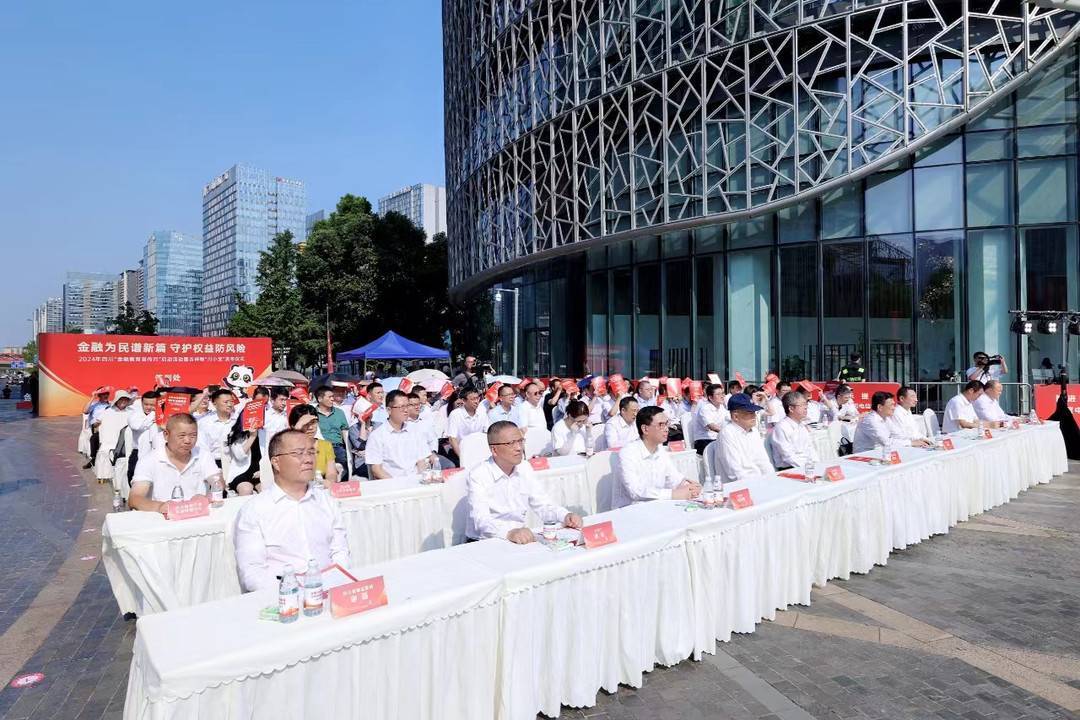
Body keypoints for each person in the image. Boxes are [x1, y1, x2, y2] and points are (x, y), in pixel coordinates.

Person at [234, 429, 351, 592]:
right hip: (282, 599)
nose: (308, 459)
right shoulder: (254, 510)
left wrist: (334, 584)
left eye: (311, 452)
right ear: (276, 462)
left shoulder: (327, 501)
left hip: (330, 592)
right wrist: (294, 593)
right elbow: (252, 573)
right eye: (299, 453)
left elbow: (340, 552)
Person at [466, 421, 583, 543]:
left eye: (520, 441)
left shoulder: (524, 467)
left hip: (518, 537)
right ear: (494, 450)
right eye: (511, 443)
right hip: (485, 541)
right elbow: (481, 521)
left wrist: (565, 516)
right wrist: (509, 532)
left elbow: (542, 504)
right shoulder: (478, 475)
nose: (519, 448)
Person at [612, 406, 701, 508]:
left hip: (655, 507)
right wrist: (673, 494)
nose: (667, 429)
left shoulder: (660, 450)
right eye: (661, 425)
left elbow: (675, 479)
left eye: (666, 424)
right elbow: (635, 491)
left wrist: (689, 487)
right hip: (629, 511)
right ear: (645, 429)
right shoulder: (627, 453)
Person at [129, 413, 217, 514]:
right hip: (164, 519)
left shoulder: (203, 454)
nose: (188, 441)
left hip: (198, 513)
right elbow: (135, 498)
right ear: (166, 435)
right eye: (182, 436)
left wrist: (208, 496)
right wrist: (161, 507)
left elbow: (217, 481)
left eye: (193, 435)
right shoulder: (149, 460)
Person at [366, 390, 438, 478]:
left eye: (407, 406)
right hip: (392, 484)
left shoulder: (415, 430)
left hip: (416, 482)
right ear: (389, 410)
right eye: (401, 407)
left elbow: (421, 461)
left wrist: (420, 480)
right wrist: (397, 485)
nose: (406, 410)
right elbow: (376, 469)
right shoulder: (377, 436)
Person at [716, 394, 774, 483]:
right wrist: (756, 484)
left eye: (754, 412)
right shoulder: (727, 433)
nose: (754, 416)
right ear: (735, 416)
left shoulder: (754, 431)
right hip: (738, 487)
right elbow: (734, 471)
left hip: (759, 481)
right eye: (750, 413)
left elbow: (763, 461)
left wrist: (772, 479)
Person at [853, 392, 931, 452]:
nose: (894, 408)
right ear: (880, 407)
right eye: (891, 405)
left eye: (894, 405)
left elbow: (899, 434)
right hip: (864, 454)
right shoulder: (870, 420)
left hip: (880, 452)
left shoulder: (886, 418)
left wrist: (919, 440)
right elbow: (886, 442)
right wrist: (911, 443)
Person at [768, 390, 820, 470]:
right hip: (790, 469)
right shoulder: (781, 428)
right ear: (791, 408)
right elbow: (788, 456)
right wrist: (808, 468)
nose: (806, 407)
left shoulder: (801, 425)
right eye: (802, 405)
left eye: (806, 404)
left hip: (806, 466)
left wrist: (818, 465)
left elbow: (810, 448)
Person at [289, 405, 339, 483]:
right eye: (305, 424)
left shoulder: (325, 445)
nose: (310, 427)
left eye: (313, 423)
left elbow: (332, 474)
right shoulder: (287, 446)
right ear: (294, 426)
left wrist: (328, 482)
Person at [95, 390, 134, 482]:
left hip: (125, 440)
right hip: (110, 439)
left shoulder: (132, 412)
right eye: (121, 399)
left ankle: (122, 479)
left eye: (126, 399)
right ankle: (103, 476)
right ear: (117, 400)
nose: (123, 401)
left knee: (124, 459)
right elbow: (97, 422)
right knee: (105, 455)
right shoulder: (108, 411)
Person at [446, 387, 490, 460]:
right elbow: (452, 438)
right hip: (461, 451)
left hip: (479, 451)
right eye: (473, 399)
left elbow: (487, 433)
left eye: (477, 398)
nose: (476, 401)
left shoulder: (482, 413)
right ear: (464, 401)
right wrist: (462, 457)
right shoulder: (455, 414)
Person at [127, 391, 160, 484]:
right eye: (146, 404)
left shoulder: (162, 416)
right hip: (138, 453)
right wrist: (153, 415)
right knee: (134, 480)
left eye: (152, 405)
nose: (149, 407)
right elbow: (137, 426)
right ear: (141, 403)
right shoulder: (134, 414)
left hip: (157, 452)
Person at [314, 386, 350, 470]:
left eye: (332, 396)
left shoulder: (339, 412)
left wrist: (348, 451)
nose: (332, 399)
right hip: (320, 448)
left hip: (338, 448)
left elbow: (345, 432)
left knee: (342, 474)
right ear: (320, 399)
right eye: (329, 397)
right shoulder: (313, 413)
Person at [197, 389, 236, 465]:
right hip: (213, 463)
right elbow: (202, 447)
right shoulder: (205, 423)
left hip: (235, 463)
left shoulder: (237, 421)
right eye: (226, 402)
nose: (230, 405)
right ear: (214, 403)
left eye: (231, 401)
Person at [225, 414, 262, 495]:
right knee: (246, 490)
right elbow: (239, 456)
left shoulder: (264, 432)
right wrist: (252, 436)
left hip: (261, 471)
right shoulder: (235, 434)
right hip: (243, 472)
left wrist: (263, 472)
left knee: (265, 489)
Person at [692, 383, 729, 454]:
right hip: (704, 440)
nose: (722, 396)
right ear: (710, 397)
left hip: (717, 438)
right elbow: (712, 426)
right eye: (718, 394)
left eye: (722, 393)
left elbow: (730, 419)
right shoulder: (705, 408)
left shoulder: (721, 407)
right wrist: (727, 433)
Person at [82, 388, 112, 469]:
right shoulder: (95, 404)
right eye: (103, 394)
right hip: (97, 427)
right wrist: (92, 397)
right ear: (99, 395)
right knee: (94, 438)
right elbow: (85, 411)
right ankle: (94, 459)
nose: (106, 395)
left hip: (109, 426)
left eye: (107, 394)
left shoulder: (111, 405)